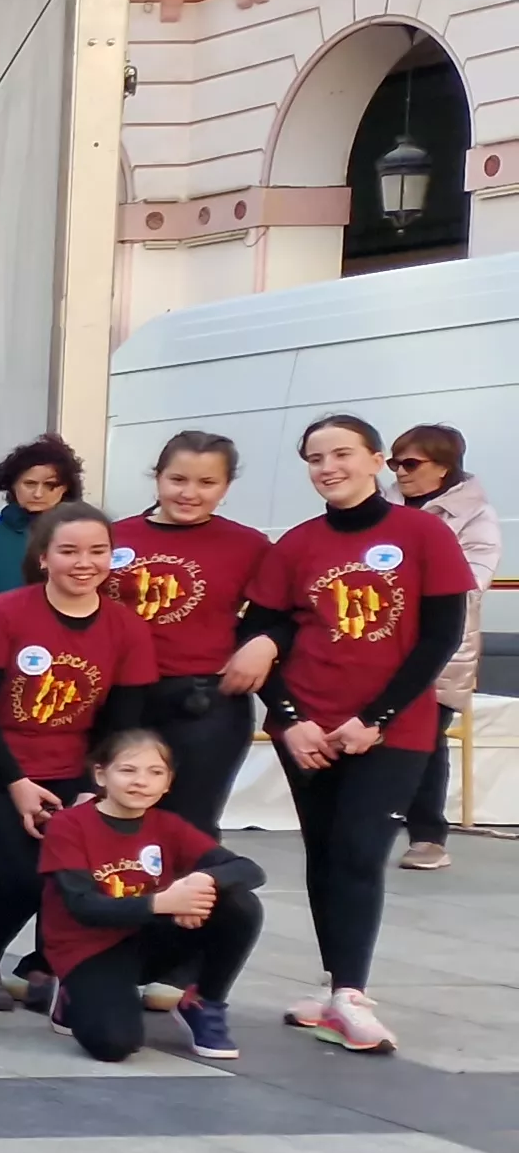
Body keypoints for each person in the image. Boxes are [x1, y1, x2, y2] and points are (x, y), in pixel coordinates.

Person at [254, 414, 472, 1055]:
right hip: (308, 729)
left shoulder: (423, 533)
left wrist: (374, 719)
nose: (329, 468)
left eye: (342, 453)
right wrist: (290, 719)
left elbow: (440, 637)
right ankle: (335, 989)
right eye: (315, 458)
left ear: (377, 460)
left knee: (359, 850)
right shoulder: (295, 545)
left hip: (391, 730)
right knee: (324, 853)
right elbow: (260, 637)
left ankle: (352, 994)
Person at [0, 500, 153, 1012]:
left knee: (71, 876)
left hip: (71, 770)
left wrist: (90, 788)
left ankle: (46, 966)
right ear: (43, 557)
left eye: (97, 551)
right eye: (69, 551)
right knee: (24, 878)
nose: (84, 563)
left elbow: (121, 723)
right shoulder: (4, 613)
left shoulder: (127, 628)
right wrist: (15, 783)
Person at [43, 729, 259, 1062]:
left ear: (168, 782)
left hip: (150, 939)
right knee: (114, 1044)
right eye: (127, 770)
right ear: (101, 775)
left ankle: (204, 1002)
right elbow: (82, 907)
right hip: (89, 948)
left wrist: (201, 881)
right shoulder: (68, 825)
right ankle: (73, 994)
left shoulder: (168, 825)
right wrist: (163, 902)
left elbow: (249, 870)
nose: (141, 781)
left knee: (238, 902)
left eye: (155, 772)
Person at [112, 431, 273, 832]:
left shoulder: (249, 546)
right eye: (178, 480)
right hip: (118, 698)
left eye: (207, 482)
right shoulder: (113, 537)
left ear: (226, 487)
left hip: (203, 704)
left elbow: (282, 614)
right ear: (158, 477)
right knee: (116, 822)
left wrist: (264, 644)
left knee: (188, 828)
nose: (189, 493)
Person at [391, 423, 493, 867]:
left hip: (442, 646)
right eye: (394, 463)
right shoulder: (379, 506)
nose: (400, 472)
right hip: (378, 639)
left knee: (426, 738)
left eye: (411, 463)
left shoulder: (476, 516)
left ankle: (428, 836)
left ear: (443, 467)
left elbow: (471, 581)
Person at [0, 434, 80, 598]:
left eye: (50, 485)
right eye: (29, 484)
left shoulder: (86, 531)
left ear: (65, 488)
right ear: (12, 484)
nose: (38, 494)